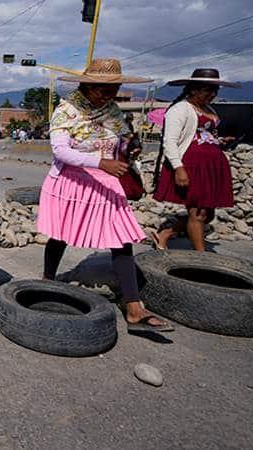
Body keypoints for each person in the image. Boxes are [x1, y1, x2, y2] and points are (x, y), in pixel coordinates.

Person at [37, 58, 172, 333]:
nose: (109, 95)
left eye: (114, 89)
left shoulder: (112, 109)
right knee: (61, 234)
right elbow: (60, 151)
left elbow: (121, 138)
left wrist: (128, 148)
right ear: (87, 85)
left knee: (121, 239)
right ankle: (47, 281)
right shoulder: (67, 110)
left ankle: (134, 307)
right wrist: (101, 162)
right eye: (103, 89)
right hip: (73, 181)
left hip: (107, 182)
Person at [151, 69, 239, 251]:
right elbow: (170, 142)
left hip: (210, 167)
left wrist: (219, 142)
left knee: (208, 214)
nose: (213, 94)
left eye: (215, 90)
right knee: (198, 212)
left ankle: (166, 233)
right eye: (208, 90)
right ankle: (201, 256)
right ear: (193, 90)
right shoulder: (180, 109)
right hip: (192, 166)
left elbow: (203, 135)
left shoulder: (208, 109)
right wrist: (179, 168)